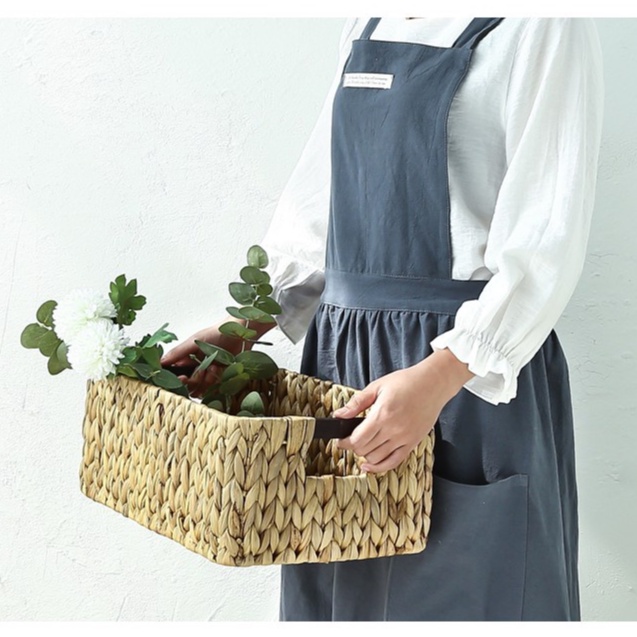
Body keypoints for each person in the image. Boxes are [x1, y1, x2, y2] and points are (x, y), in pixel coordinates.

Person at [160, 17, 604, 621]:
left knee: (475, 597)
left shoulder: (543, 22)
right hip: (344, 365)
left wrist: (441, 377)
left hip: (463, 377)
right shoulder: (370, 17)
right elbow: (322, 199)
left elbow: (546, 232)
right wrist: (245, 327)